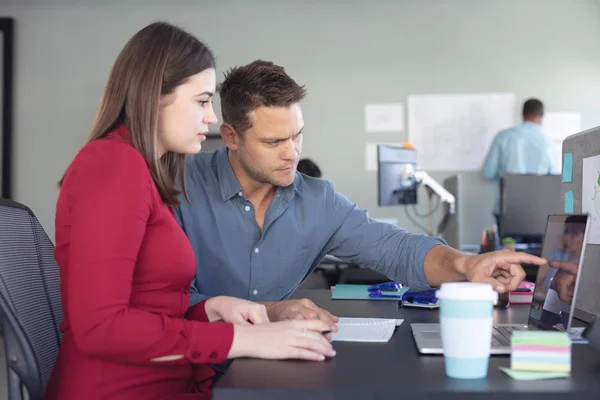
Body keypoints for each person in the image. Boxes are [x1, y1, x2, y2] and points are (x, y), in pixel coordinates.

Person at [46, 24, 334, 400]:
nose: (211, 118)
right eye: (201, 101)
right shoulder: (112, 165)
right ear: (155, 96)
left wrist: (211, 308)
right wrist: (240, 340)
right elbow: (100, 327)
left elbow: (148, 307)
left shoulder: (141, 171)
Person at [175, 59, 546, 331]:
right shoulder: (176, 187)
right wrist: (269, 311)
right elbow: (159, 301)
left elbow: (396, 248)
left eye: (297, 135)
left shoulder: (319, 201)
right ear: (230, 137)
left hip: (266, 368)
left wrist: (465, 264)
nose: (292, 153)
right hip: (185, 367)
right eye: (273, 141)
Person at [482, 98, 557, 181]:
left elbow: (488, 173)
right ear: (542, 116)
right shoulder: (549, 143)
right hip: (540, 192)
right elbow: (556, 177)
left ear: (522, 114)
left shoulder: (503, 136)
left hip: (510, 192)